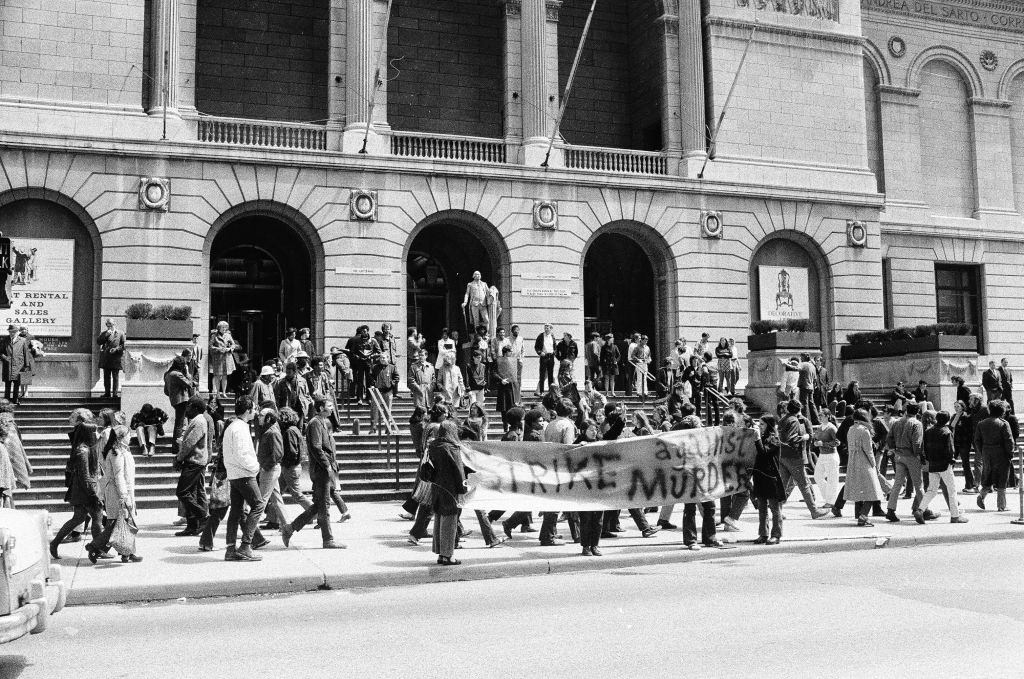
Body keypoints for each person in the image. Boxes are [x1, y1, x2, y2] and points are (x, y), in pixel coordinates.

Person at [283, 398, 345, 549]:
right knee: (324, 505)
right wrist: (327, 465)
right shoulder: (315, 423)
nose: (332, 409)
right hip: (321, 470)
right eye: (329, 406)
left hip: (327, 469)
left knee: (319, 506)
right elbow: (316, 448)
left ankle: (290, 528)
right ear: (320, 407)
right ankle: (328, 539)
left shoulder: (323, 422)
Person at [49, 417, 105, 559]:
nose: (97, 434)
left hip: (82, 490)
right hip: (86, 491)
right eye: (94, 431)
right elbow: (85, 476)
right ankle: (97, 549)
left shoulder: (84, 448)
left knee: (78, 518)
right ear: (88, 433)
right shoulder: (83, 451)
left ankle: (55, 543)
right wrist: (94, 495)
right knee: (97, 518)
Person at [85, 425, 142, 563]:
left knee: (125, 523)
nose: (131, 437)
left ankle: (127, 553)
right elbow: (118, 476)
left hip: (124, 491)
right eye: (129, 435)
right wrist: (123, 495)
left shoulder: (123, 451)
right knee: (118, 523)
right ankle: (95, 547)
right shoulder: (116, 453)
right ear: (121, 437)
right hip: (117, 493)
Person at [222, 395, 266, 562]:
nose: (255, 412)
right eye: (254, 409)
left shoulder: (232, 427)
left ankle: (230, 549)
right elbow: (242, 454)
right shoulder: (240, 428)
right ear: (248, 411)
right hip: (245, 473)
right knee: (258, 505)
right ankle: (246, 545)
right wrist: (255, 467)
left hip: (234, 474)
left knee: (236, 511)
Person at [777, 400, 830, 519]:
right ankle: (814, 511)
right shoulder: (794, 420)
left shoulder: (783, 420)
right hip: (794, 456)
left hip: (783, 456)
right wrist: (804, 437)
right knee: (804, 485)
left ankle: (778, 511)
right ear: (798, 409)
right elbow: (791, 439)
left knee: (783, 485)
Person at [916, 410, 968, 524]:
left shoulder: (928, 431)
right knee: (952, 490)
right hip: (944, 465)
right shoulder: (946, 432)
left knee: (931, 490)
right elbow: (950, 450)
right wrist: (951, 460)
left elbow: (925, 447)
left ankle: (920, 510)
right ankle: (955, 516)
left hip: (932, 464)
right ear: (947, 420)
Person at [427, 420, 467, 566]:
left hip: (437, 486)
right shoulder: (452, 448)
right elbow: (459, 471)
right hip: (450, 488)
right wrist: (463, 488)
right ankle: (448, 555)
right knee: (450, 520)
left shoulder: (433, 446)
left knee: (439, 518)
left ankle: (440, 552)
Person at [174, 399, 210, 536]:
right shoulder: (195, 420)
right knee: (191, 493)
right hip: (193, 460)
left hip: (195, 461)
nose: (186, 408)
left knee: (182, 492)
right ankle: (192, 526)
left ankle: (203, 517)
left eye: (188, 406)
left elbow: (189, 443)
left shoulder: (199, 421)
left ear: (195, 408)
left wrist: (179, 458)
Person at [845, 409, 886, 526]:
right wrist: (873, 464)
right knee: (873, 490)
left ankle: (862, 514)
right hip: (864, 461)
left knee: (862, 490)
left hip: (853, 461)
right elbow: (869, 451)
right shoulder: (864, 431)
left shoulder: (851, 429)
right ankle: (863, 515)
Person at [885, 402, 925, 522]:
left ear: (906, 410)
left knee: (897, 484)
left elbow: (889, 438)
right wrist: (919, 455)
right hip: (911, 455)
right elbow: (917, 443)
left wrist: (893, 449)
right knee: (918, 485)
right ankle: (924, 509)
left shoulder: (897, 422)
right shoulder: (917, 424)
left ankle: (890, 510)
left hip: (899, 455)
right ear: (917, 412)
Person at [974, 400, 1015, 512]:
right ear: (1002, 410)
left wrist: (982, 452)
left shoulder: (981, 423)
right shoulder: (1003, 423)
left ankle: (981, 496)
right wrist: (1010, 453)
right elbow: (1009, 441)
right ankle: (1001, 505)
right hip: (1001, 453)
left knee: (988, 476)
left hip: (987, 452)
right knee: (1002, 479)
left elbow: (977, 440)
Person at [752, 415, 785, 543]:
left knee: (774, 508)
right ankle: (763, 534)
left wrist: (757, 439)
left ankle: (776, 535)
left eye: (762, 424)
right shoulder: (762, 438)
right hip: (760, 475)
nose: (760, 427)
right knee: (761, 508)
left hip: (771, 476)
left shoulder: (774, 439)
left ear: (769, 425)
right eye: (759, 424)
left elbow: (764, 454)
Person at [163, 356, 194, 453]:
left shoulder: (167, 374)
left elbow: (166, 391)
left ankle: (177, 446)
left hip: (174, 400)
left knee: (180, 423)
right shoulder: (177, 374)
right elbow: (189, 384)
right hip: (182, 400)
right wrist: (187, 372)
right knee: (179, 424)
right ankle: (176, 447)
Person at [812, 409, 840, 507]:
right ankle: (829, 497)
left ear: (828, 416)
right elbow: (816, 438)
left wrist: (823, 444)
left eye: (822, 415)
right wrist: (815, 442)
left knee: (832, 479)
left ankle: (831, 502)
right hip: (822, 455)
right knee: (817, 476)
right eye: (819, 415)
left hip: (831, 456)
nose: (819, 417)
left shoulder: (832, 428)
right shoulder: (819, 427)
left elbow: (837, 442)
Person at [0, 325, 31, 405]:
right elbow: (1, 352)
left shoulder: (22, 340)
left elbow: (25, 353)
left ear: (17, 332)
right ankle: (6, 400)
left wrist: (27, 365)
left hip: (19, 365)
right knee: (8, 383)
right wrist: (5, 358)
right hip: (8, 365)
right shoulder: (4, 340)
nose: (12, 333)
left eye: (14, 332)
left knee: (17, 383)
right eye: (10, 332)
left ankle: (15, 399)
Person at [951, 400, 976, 494]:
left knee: (965, 464)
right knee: (950, 462)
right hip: (954, 442)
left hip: (963, 443)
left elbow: (968, 431)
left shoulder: (966, 417)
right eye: (955, 406)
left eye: (957, 406)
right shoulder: (953, 416)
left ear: (962, 407)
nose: (956, 408)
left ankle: (969, 484)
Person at [96, 319, 125, 398]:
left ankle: (115, 394)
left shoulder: (120, 333)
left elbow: (124, 345)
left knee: (115, 376)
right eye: (107, 325)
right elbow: (98, 342)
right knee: (106, 377)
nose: (109, 327)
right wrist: (106, 335)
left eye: (110, 325)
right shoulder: (104, 333)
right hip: (106, 358)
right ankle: (107, 393)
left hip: (115, 358)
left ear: (114, 324)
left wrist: (116, 349)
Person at [209, 321, 237, 398]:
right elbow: (210, 346)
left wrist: (230, 349)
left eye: (225, 327)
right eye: (223, 327)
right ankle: (218, 392)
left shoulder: (228, 335)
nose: (224, 329)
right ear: (219, 328)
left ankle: (224, 392)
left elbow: (233, 344)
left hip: (227, 358)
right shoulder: (214, 335)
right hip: (218, 359)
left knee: (225, 376)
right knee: (217, 376)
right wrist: (219, 349)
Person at [495, 345, 518, 425]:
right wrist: (501, 380)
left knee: (511, 406)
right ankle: (505, 424)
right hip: (503, 386)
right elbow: (494, 373)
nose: (511, 353)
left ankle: (511, 423)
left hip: (511, 386)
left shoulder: (512, 360)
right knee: (504, 407)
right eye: (510, 351)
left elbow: (514, 373)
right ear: (506, 352)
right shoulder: (498, 360)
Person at [534, 323, 557, 396]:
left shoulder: (552, 336)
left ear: (551, 329)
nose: (546, 329)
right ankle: (541, 391)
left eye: (548, 328)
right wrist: (540, 352)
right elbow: (536, 346)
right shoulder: (541, 336)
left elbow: (555, 346)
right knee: (542, 374)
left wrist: (554, 352)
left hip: (551, 357)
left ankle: (550, 392)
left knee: (550, 374)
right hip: (544, 357)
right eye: (545, 328)